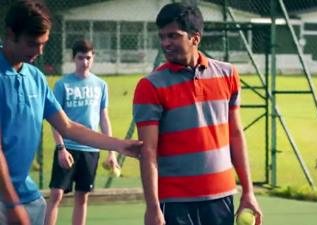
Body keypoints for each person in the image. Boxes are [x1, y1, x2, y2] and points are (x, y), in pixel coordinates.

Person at [0, 1, 142, 225]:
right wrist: (11, 205)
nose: (39, 51)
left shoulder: (35, 78)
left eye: (44, 44)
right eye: (32, 43)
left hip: (24, 195)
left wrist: (118, 145)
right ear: (10, 34)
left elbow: (68, 126)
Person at [133, 3, 262, 225]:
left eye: (173, 36)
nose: (166, 43)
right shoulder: (149, 86)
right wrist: (153, 207)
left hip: (221, 196)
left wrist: (248, 191)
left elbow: (235, 135)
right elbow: (148, 151)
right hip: (174, 202)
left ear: (195, 38)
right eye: (162, 37)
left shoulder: (228, 74)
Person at [43, 39, 119, 225]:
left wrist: (111, 152)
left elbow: (104, 118)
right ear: (73, 58)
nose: (84, 62)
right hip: (67, 147)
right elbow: (55, 120)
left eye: (88, 58)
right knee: (56, 194)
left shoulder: (101, 85)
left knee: (82, 197)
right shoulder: (62, 84)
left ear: (93, 58)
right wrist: (61, 148)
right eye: (80, 58)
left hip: (91, 149)